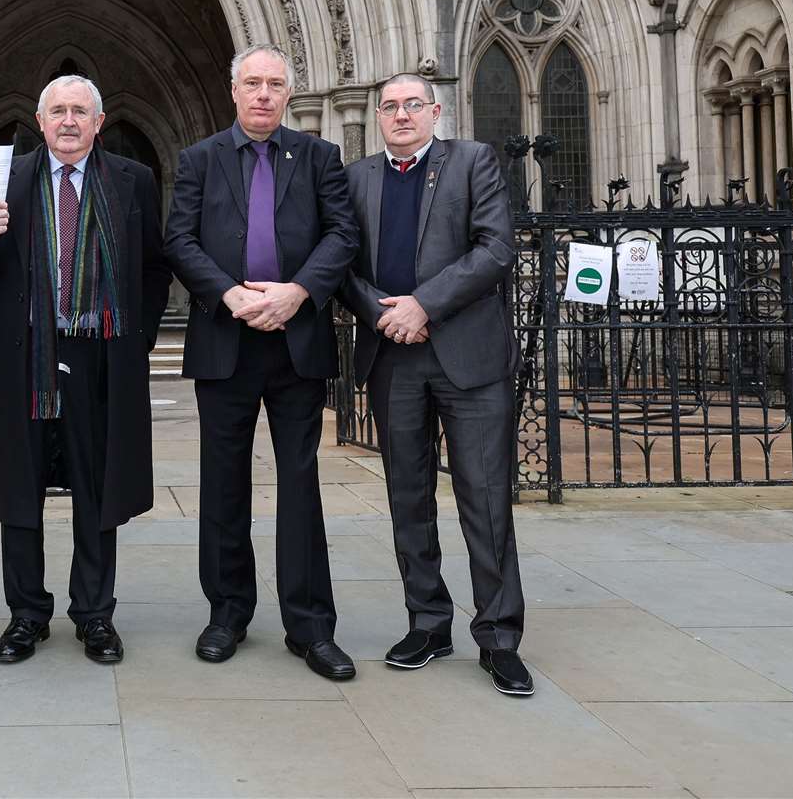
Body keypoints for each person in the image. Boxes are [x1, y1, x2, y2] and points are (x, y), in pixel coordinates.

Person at [164, 43, 361, 681]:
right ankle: (227, 613)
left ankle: (310, 626)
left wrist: (297, 292)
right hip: (226, 339)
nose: (264, 95)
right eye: (253, 83)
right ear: (234, 90)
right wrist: (229, 295)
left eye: (276, 84)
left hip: (296, 340)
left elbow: (342, 235)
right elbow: (180, 239)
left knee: (300, 484)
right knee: (223, 483)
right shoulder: (199, 159)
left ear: (288, 93)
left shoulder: (320, 157)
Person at [0, 76, 169, 665]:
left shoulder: (133, 181)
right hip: (27, 353)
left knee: (98, 486)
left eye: (81, 111)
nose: (70, 121)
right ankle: (26, 614)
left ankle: (94, 615)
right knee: (20, 486)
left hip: (101, 355)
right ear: (40, 120)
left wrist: (137, 340)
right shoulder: (10, 178)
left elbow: (155, 267)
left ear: (99, 122)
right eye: (59, 112)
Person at [338, 73, 531, 696]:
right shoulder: (357, 177)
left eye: (410, 105)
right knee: (408, 500)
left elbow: (496, 248)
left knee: (486, 502)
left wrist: (423, 305)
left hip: (467, 360)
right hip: (393, 356)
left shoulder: (473, 162)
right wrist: (383, 313)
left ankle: (499, 637)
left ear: (434, 111)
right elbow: (340, 261)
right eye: (389, 106)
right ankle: (428, 623)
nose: (399, 115)